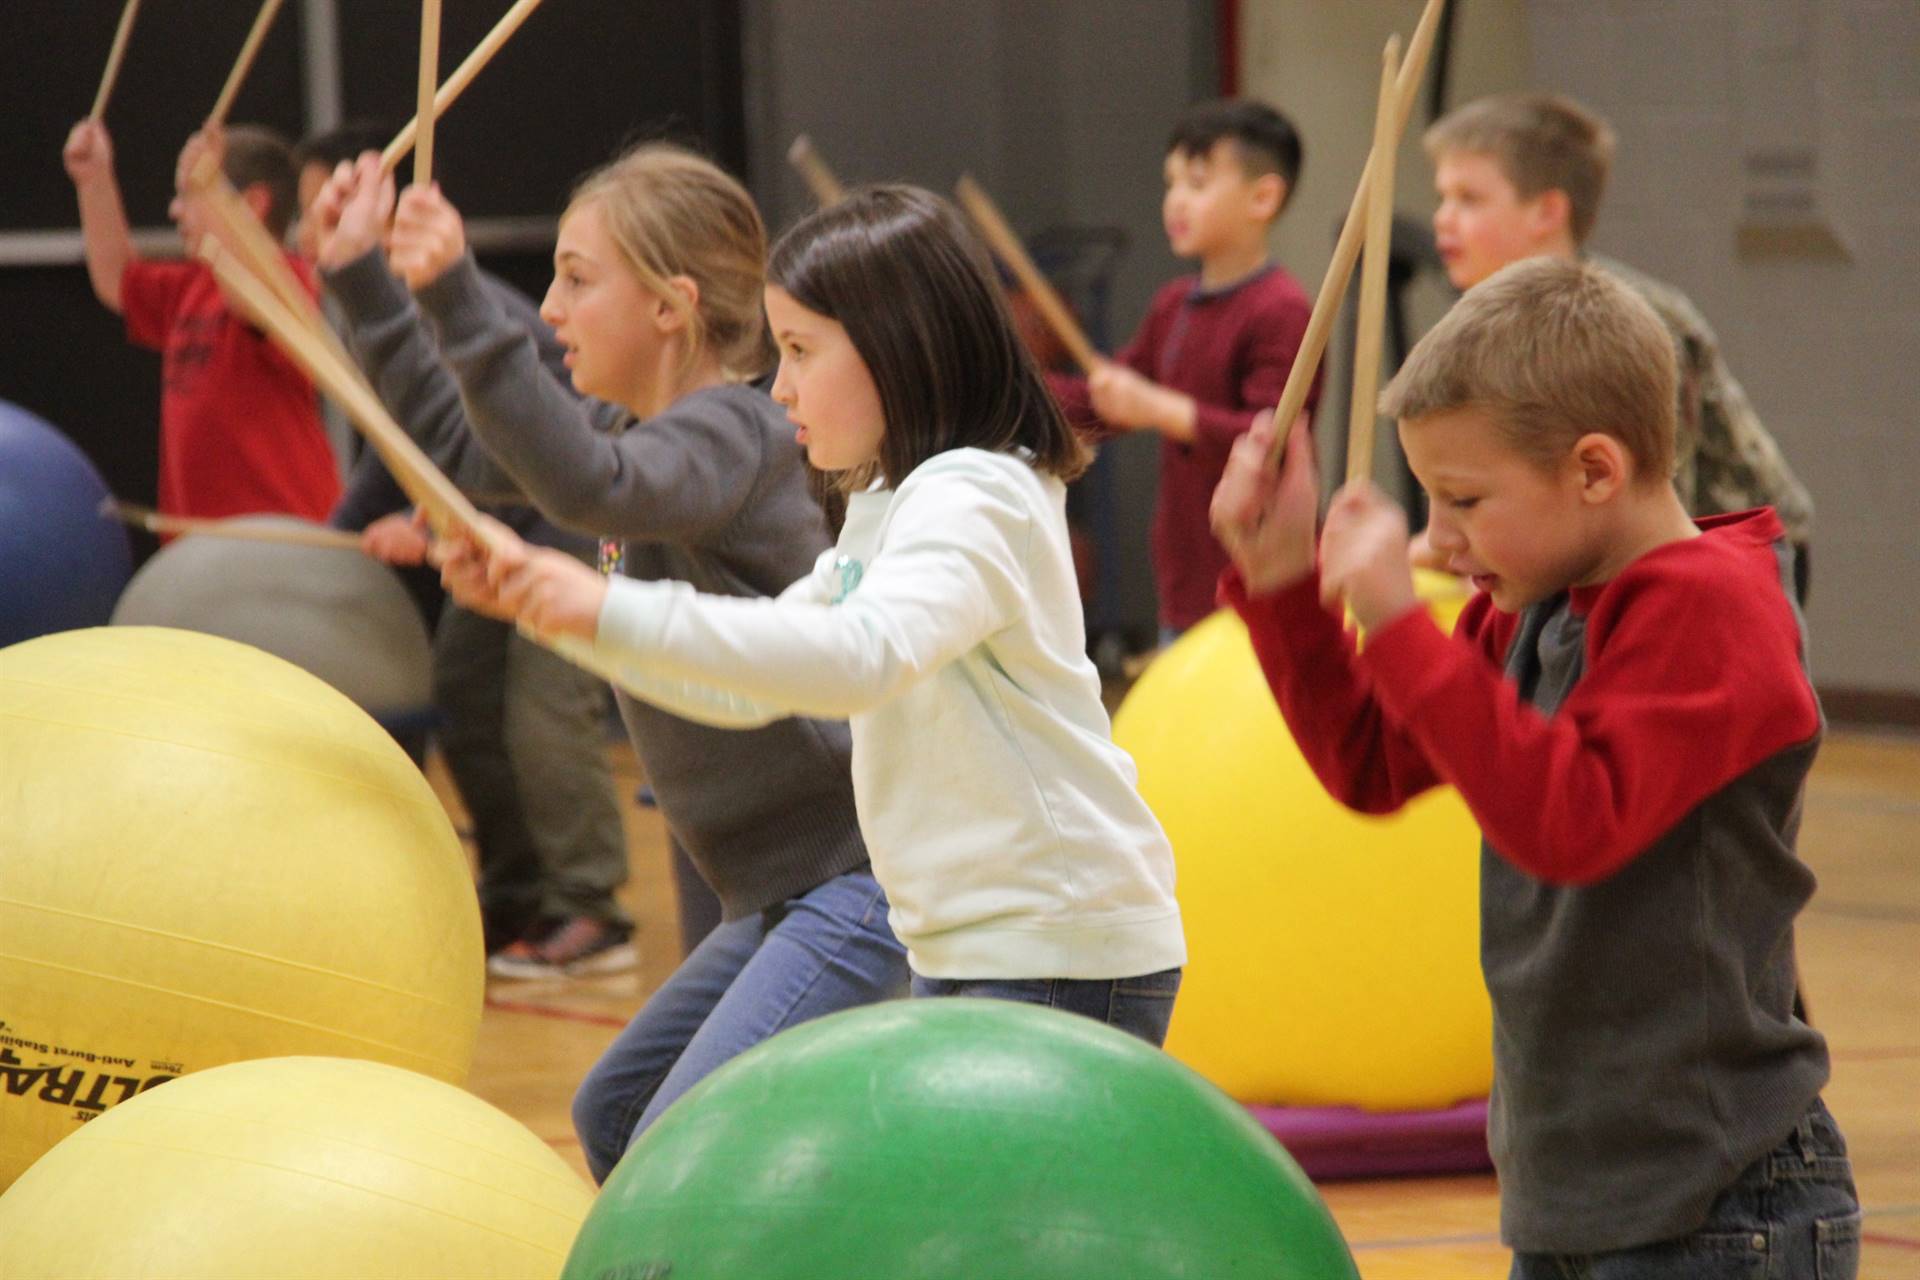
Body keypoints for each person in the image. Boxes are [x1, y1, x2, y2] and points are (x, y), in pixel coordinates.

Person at [1210, 257, 1857, 1276]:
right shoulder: (1531, 609)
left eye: (1464, 498)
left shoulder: (1712, 607)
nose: (1438, 537)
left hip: (1720, 1193)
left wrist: (1391, 618)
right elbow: (1370, 763)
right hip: (1574, 1185)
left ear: (1595, 469)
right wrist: (1285, 581)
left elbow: (1572, 822)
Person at [436, 185, 1187, 1048]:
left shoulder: (977, 492)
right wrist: (560, 615)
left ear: (896, 350)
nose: (780, 386)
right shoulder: (886, 500)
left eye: (800, 351)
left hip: (1059, 950)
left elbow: (860, 655)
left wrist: (602, 606)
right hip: (973, 942)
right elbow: (749, 692)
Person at [339, 142, 907, 1180]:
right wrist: (362, 278)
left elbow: (587, 484)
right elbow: (463, 443)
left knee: (680, 1153)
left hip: (857, 885)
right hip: (774, 892)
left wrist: (454, 287)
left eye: (576, 276)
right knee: (618, 1112)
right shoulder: (633, 432)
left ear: (671, 307)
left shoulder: (737, 432)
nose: (547, 308)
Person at [305, 144, 636, 975]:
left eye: (337, 211)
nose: (317, 229)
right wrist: (384, 519)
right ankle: (516, 882)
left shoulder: (465, 305)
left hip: (560, 523)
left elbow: (552, 447)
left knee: (543, 711)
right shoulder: (380, 300)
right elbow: (424, 436)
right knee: (463, 686)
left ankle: (589, 903)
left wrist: (425, 524)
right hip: (495, 523)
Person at [1424, 92, 1815, 601]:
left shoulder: (1633, 323)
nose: (1441, 218)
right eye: (1442, 196)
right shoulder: (1483, 324)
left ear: (1547, 211)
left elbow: (1663, 508)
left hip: (1740, 552)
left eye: (1468, 199)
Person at [1048, 98, 1318, 639]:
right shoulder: (1174, 304)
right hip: (1182, 577)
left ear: (1263, 197)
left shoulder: (1282, 309)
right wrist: (1002, 383)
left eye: (1196, 183)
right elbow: (1104, 404)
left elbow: (1274, 439)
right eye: (1171, 183)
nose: (1175, 201)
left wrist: (1157, 408)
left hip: (1260, 574)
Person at [62, 119, 339, 522]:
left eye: (189, 194)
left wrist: (215, 201)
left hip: (284, 533)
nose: (176, 209)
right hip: (203, 544)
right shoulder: (192, 286)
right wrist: (94, 180)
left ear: (251, 205)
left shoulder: (289, 277)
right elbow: (116, 280)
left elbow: (252, 301)